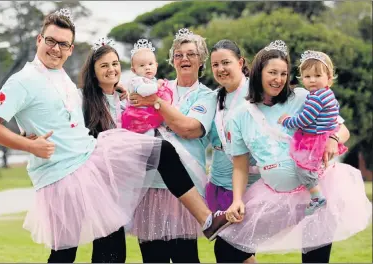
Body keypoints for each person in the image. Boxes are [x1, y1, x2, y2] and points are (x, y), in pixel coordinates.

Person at [0, 10, 228, 263]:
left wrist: (115, 88)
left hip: (88, 161)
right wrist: (29, 145)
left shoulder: (59, 75)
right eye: (51, 41)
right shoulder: (23, 80)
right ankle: (207, 219)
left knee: (113, 244)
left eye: (63, 44)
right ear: (38, 40)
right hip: (63, 174)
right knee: (65, 253)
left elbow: (55, 113)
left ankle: (207, 219)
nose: (56, 49)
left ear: (71, 48)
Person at [219, 40, 372, 262]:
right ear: (258, 73)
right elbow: (240, 166)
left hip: (315, 191)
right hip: (273, 196)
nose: (278, 79)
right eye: (272, 72)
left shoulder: (303, 97)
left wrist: (333, 138)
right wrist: (237, 200)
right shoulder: (240, 115)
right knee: (227, 248)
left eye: (283, 73)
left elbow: (341, 128)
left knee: (315, 258)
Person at [128, 28, 222, 263]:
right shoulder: (159, 86)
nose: (184, 59)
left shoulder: (207, 96)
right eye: (178, 55)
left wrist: (155, 103)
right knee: (153, 258)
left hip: (186, 188)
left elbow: (189, 128)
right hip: (151, 184)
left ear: (201, 60)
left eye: (191, 54)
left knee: (185, 258)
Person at [206, 39, 259, 263]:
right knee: (237, 253)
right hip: (218, 183)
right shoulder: (214, 97)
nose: (220, 69)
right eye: (215, 65)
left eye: (226, 62)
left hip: (248, 187)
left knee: (230, 251)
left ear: (240, 62)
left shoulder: (257, 93)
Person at [278, 50, 348, 215]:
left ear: (329, 79)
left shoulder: (316, 97)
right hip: (322, 135)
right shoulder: (327, 94)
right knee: (314, 168)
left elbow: (304, 120)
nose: (312, 80)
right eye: (308, 77)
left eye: (317, 75)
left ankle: (317, 197)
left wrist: (287, 121)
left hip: (314, 138)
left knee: (303, 168)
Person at [121, 38, 173, 136]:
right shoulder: (136, 81)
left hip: (151, 114)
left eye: (150, 64)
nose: (147, 67)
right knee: (147, 134)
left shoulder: (153, 80)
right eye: (142, 65)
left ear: (156, 65)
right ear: (134, 70)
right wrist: (157, 86)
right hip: (139, 116)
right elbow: (143, 90)